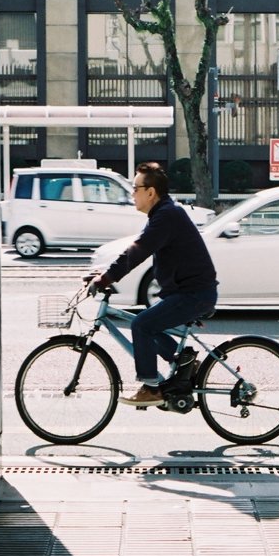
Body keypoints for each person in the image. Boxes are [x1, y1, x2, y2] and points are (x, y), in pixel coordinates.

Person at [90, 161, 218, 407]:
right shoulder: (162, 214)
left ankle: (151, 387)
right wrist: (105, 273)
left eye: (135, 188)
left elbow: (137, 252)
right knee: (152, 324)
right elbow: (139, 250)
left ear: (151, 192)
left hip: (194, 294)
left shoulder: (167, 216)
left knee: (142, 324)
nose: (132, 193)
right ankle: (185, 363)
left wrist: (107, 278)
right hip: (188, 292)